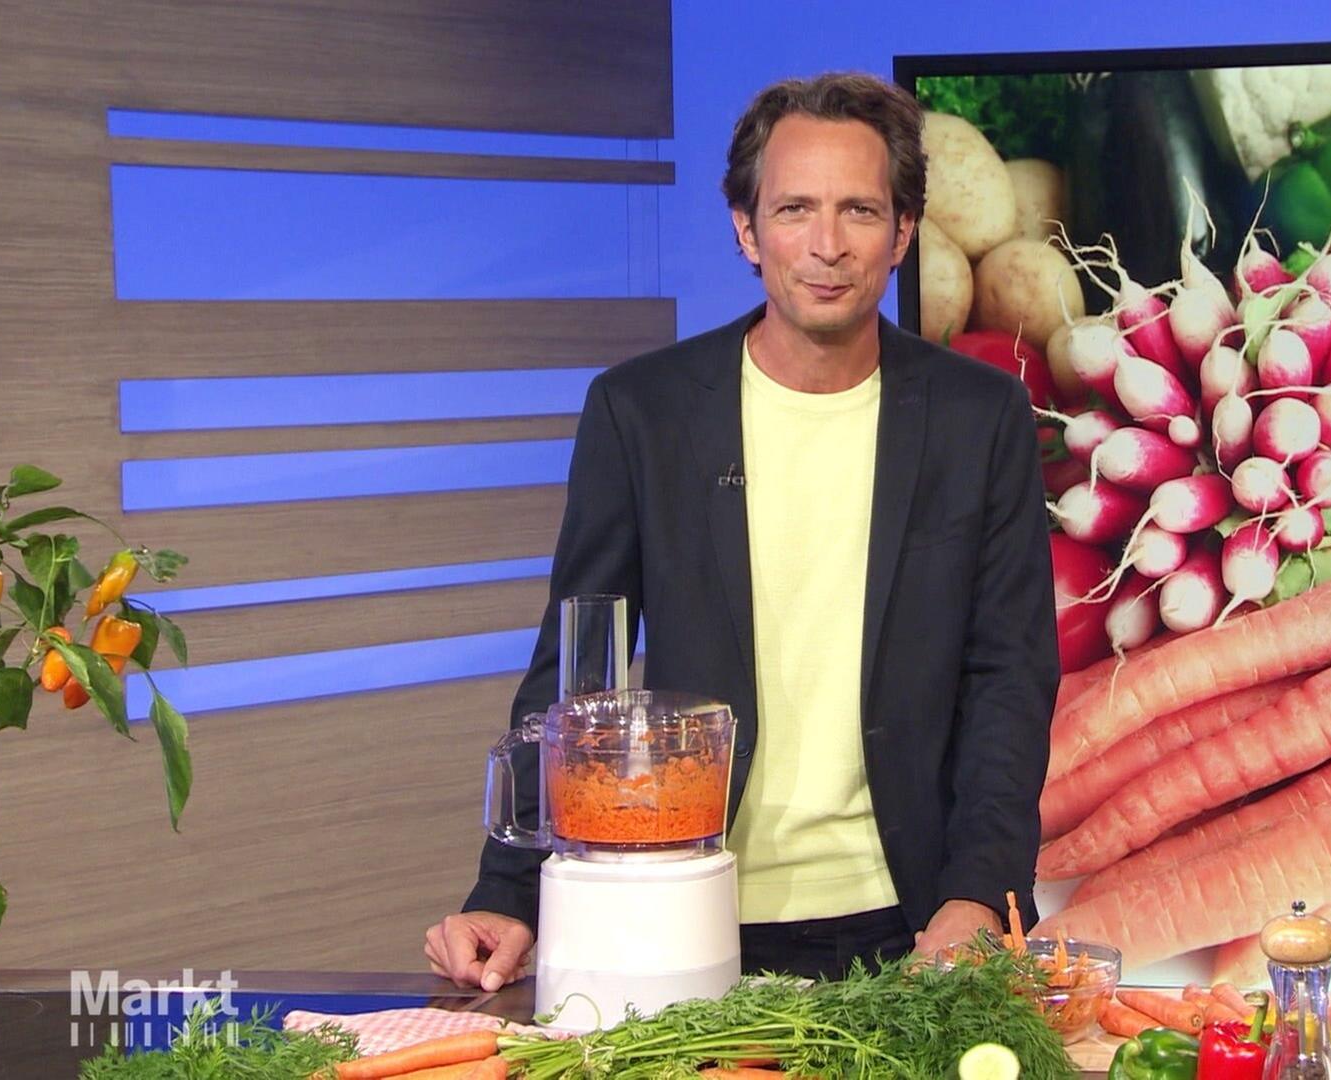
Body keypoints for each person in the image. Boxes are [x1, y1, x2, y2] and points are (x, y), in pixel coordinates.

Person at [423, 71, 1057, 989]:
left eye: (859, 210)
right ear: (747, 231)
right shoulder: (643, 413)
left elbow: (1010, 675)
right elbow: (575, 673)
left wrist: (981, 893)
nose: (828, 246)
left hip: (917, 920)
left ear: (903, 232)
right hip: (684, 908)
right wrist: (507, 890)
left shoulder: (981, 416)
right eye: (795, 209)